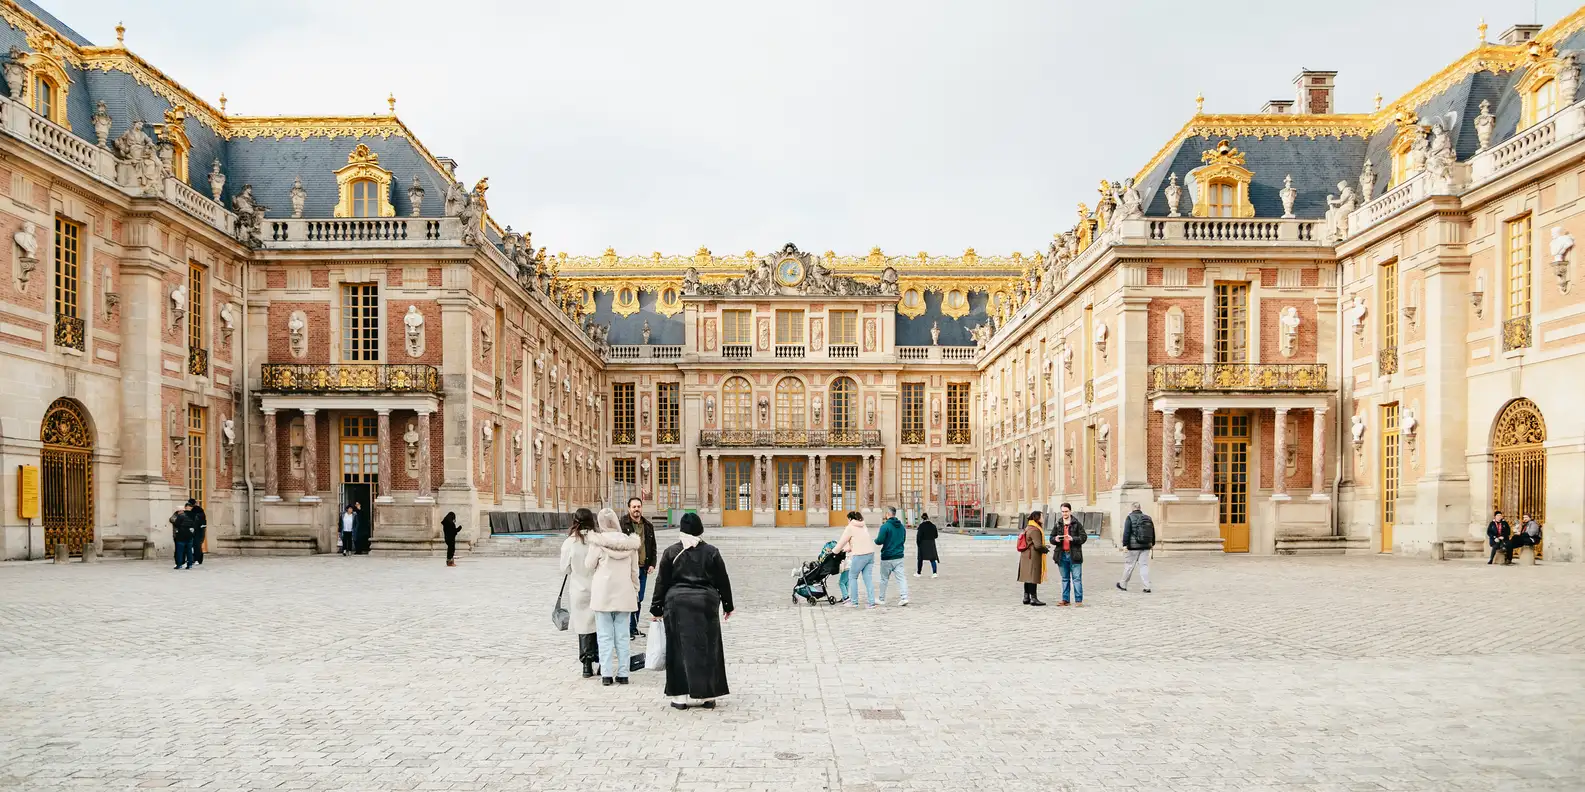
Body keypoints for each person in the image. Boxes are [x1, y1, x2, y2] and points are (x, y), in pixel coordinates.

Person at [650, 512, 734, 710]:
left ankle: (679, 697)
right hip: (705, 603)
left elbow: (662, 581)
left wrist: (656, 607)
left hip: (676, 604)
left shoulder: (671, 552)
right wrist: (728, 605)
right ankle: (707, 696)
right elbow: (723, 580)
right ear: (700, 530)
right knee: (708, 649)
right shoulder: (711, 552)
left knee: (677, 650)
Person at [587, 508, 642, 686]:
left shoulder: (598, 543)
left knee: (604, 636)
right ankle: (624, 673)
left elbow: (588, 565)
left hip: (603, 593)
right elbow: (635, 573)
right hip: (624, 593)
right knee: (623, 635)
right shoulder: (630, 544)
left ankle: (607, 674)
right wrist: (635, 591)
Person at [559, 508, 600, 678]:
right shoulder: (597, 540)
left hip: (578, 588)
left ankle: (586, 665)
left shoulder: (570, 542)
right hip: (597, 587)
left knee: (583, 627)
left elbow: (564, 568)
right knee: (599, 626)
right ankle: (602, 662)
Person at [619, 497, 658, 639]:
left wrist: (653, 563)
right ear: (629, 508)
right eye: (634, 507)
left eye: (639, 506)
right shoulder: (622, 524)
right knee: (627, 598)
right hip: (627, 568)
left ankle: (633, 627)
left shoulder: (648, 525)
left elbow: (653, 546)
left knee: (639, 599)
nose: (636, 509)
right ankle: (626, 629)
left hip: (643, 568)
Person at [833, 511, 878, 609]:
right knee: (868, 578)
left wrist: (834, 552)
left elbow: (841, 542)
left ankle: (854, 602)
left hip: (860, 555)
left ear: (850, 519)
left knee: (852, 577)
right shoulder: (863, 526)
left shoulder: (850, 527)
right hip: (870, 554)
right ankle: (871, 602)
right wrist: (849, 548)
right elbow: (859, 541)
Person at [1050, 503, 1087, 606]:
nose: (1064, 513)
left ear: (1070, 511)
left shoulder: (1076, 523)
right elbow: (1051, 538)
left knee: (1077, 578)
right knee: (1065, 579)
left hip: (1074, 555)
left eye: (1066, 511)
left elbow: (1083, 537)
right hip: (1061, 555)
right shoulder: (1058, 524)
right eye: (1063, 511)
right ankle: (1065, 599)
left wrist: (1073, 539)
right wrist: (1055, 539)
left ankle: (1078, 600)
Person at [874, 506, 909, 606]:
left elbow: (879, 541)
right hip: (899, 556)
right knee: (901, 578)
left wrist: (875, 541)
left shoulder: (885, 526)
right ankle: (904, 597)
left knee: (884, 579)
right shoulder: (902, 526)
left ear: (888, 514)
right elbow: (903, 539)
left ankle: (881, 598)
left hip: (887, 557)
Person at [1117, 502, 1155, 593]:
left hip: (1133, 546)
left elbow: (1126, 532)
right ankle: (1147, 586)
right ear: (1140, 508)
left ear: (1132, 508)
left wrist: (1125, 545)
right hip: (1146, 545)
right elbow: (1152, 532)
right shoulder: (1148, 518)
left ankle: (1123, 584)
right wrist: (1152, 543)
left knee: (1129, 565)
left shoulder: (1129, 517)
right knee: (1144, 566)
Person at [1017, 511, 1047, 605]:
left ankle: (1026, 597)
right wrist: (1045, 549)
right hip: (1032, 556)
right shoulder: (1035, 530)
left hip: (1026, 555)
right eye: (1042, 517)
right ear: (1037, 518)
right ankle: (1034, 598)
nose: (1043, 519)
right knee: (1033, 576)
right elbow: (1038, 545)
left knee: (1027, 577)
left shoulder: (1028, 527)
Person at [170, 503, 196, 570]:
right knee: (189, 551)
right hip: (189, 536)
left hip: (181, 536)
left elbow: (176, 524)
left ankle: (179, 565)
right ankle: (189, 564)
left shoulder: (180, 516)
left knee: (179, 551)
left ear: (179, 511)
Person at [915, 512, 939, 577]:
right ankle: (934, 573)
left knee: (920, 559)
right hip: (931, 544)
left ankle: (918, 573)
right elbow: (936, 536)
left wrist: (918, 544)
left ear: (922, 519)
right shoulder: (933, 526)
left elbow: (918, 536)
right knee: (932, 559)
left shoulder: (921, 526)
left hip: (923, 544)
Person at [187, 499, 207, 565]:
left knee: (196, 545)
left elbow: (199, 522)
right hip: (197, 531)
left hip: (198, 531)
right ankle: (195, 559)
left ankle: (197, 559)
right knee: (195, 545)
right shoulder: (198, 511)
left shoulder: (198, 511)